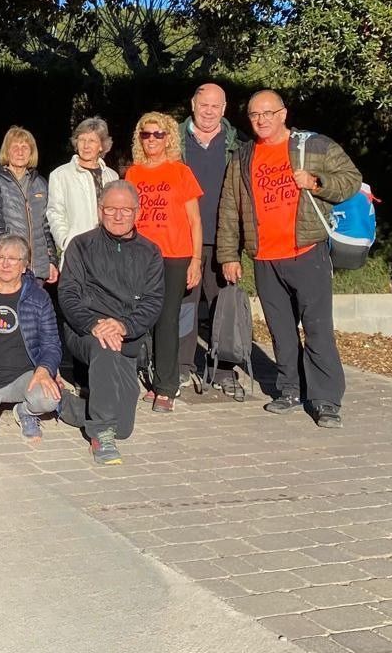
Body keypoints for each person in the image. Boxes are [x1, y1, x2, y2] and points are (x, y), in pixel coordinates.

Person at [218, 91, 362, 427]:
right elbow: (229, 210)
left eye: (268, 113)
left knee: (317, 329)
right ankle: (290, 389)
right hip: (265, 258)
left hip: (307, 251)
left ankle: (325, 399)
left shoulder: (313, 146)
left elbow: (351, 179)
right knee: (280, 331)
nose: (261, 120)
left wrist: (316, 182)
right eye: (254, 115)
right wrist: (229, 254)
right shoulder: (242, 157)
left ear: (283, 114)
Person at [57, 182, 164, 465]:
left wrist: (124, 325)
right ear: (100, 210)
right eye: (111, 209)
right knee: (103, 346)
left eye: (125, 210)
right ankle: (100, 434)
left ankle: (61, 403)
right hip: (86, 331)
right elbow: (68, 295)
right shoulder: (80, 245)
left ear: (137, 212)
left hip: (126, 335)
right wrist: (94, 323)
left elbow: (153, 302)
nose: (118, 216)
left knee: (125, 428)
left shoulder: (150, 252)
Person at [125, 112, 203, 412]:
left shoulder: (181, 172)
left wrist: (196, 260)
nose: (152, 140)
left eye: (159, 134)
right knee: (142, 319)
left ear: (169, 137)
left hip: (175, 255)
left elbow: (195, 221)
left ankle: (167, 387)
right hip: (142, 256)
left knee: (167, 320)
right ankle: (151, 379)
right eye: (146, 134)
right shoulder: (133, 174)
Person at [183, 83, 243, 396]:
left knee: (224, 305)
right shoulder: (175, 140)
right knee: (183, 305)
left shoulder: (237, 145)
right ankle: (181, 366)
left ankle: (223, 368)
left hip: (224, 239)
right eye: (203, 104)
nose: (208, 111)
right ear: (193, 104)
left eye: (215, 106)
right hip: (183, 238)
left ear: (224, 108)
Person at [0, 236, 62, 447]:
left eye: (13, 259)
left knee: (49, 398)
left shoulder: (38, 297)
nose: (5, 264)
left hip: (22, 376)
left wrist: (44, 370)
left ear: (24, 266)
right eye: (0, 257)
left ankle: (25, 410)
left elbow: (52, 343)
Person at [0, 126, 57, 285]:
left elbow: (46, 227)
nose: (20, 151)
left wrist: (51, 261)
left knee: (35, 309)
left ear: (31, 152)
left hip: (37, 269)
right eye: (14, 147)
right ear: (7, 151)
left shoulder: (40, 183)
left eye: (25, 147)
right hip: (8, 268)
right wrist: (8, 260)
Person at [46, 116, 121, 257]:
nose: (86, 146)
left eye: (92, 141)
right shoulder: (60, 175)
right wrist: (66, 242)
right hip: (78, 252)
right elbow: (55, 213)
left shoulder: (112, 176)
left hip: (110, 251)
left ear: (101, 146)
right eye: (82, 140)